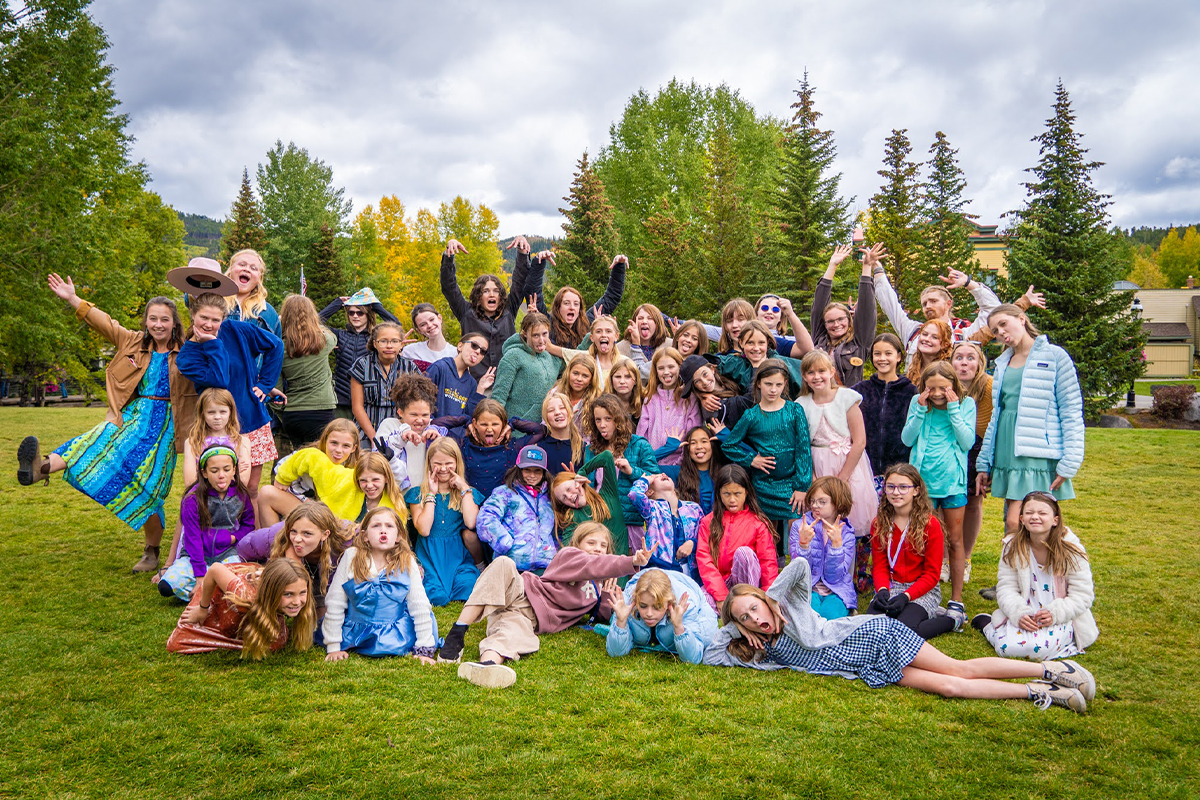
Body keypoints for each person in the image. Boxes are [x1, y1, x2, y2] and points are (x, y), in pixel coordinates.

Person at [703, 558, 1095, 714]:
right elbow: (707, 654)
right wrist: (734, 624)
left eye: (753, 608)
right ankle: (1043, 692)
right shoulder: (756, 646)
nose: (755, 618)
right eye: (746, 618)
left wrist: (768, 599)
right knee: (950, 689)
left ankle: (1054, 668)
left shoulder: (791, 606)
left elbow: (802, 564)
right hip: (866, 667)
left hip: (876, 638)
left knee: (960, 670)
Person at [18, 272, 196, 573]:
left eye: (164, 319)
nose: (158, 325)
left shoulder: (187, 347)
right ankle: (42, 466)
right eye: (153, 319)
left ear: (174, 322)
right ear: (146, 321)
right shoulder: (134, 342)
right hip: (134, 417)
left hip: (168, 426)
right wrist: (74, 299)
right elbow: (104, 322)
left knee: (150, 487)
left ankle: (152, 551)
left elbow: (208, 323)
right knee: (96, 439)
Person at [435, 522, 651, 689]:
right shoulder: (570, 556)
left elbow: (602, 615)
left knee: (509, 631)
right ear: (578, 545)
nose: (597, 549)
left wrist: (605, 596)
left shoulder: (596, 588)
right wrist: (631, 561)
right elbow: (592, 564)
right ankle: (457, 635)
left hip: (530, 617)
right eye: (591, 543)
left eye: (603, 546)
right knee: (503, 563)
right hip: (520, 591)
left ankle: (487, 666)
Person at [977, 304, 1085, 538]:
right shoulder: (1003, 362)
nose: (1000, 333)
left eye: (1004, 324)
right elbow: (997, 414)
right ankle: (1019, 572)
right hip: (1007, 448)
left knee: (1025, 520)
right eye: (995, 330)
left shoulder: (1055, 356)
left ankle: (1042, 568)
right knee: (1017, 520)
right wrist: (984, 461)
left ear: (1022, 319)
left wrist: (1071, 459)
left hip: (1035, 451)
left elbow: (1071, 410)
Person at [175, 289, 284, 503]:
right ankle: (218, 533)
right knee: (221, 488)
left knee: (250, 487)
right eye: (203, 318)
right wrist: (211, 343)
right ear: (193, 317)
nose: (209, 324)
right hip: (217, 426)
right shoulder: (187, 356)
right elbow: (219, 380)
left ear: (224, 319)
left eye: (216, 320)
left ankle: (251, 535)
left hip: (252, 417)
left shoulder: (239, 330)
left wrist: (265, 383)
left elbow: (276, 345)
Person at [972, 492, 1097, 661]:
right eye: (1029, 513)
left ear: (1055, 520)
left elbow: (1083, 595)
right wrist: (1019, 613)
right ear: (1022, 519)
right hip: (1027, 611)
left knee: (1039, 651)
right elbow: (1006, 587)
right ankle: (990, 627)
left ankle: (989, 626)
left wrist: (1055, 613)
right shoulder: (1012, 546)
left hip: (1060, 615)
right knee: (1006, 648)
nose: (1035, 517)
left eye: (1042, 513)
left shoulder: (1071, 549)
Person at [902, 361, 977, 626]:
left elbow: (967, 441)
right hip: (923, 485)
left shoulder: (966, 404)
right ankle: (924, 596)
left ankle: (956, 599)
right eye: (930, 388)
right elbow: (907, 439)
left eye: (942, 388)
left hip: (952, 483)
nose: (935, 394)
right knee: (922, 541)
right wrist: (921, 411)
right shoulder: (918, 402)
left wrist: (954, 409)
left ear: (953, 385)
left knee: (954, 541)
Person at [322, 507, 438, 662]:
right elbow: (335, 601)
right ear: (364, 536)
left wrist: (424, 649)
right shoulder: (351, 557)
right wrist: (333, 646)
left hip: (397, 634)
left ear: (398, 536)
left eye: (389, 526)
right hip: (356, 633)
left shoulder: (406, 560)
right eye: (376, 526)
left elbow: (419, 604)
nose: (383, 531)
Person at [712, 360, 812, 531]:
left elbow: (803, 449)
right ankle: (772, 559)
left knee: (797, 529)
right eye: (768, 384)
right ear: (758, 383)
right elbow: (729, 445)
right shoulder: (751, 415)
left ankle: (797, 558)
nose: (773, 389)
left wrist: (802, 486)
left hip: (792, 483)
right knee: (767, 533)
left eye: (778, 384)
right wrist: (752, 459)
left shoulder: (795, 410)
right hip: (764, 485)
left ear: (785, 384)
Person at [796, 350, 877, 558]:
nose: (817, 376)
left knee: (851, 510)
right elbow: (802, 445)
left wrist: (843, 477)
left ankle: (855, 566)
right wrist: (812, 477)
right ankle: (823, 561)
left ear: (831, 372)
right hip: (818, 463)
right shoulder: (802, 405)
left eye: (822, 371)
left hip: (847, 464)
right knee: (822, 510)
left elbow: (859, 441)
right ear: (804, 376)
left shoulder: (846, 398)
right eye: (810, 372)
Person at [157, 440, 253, 601]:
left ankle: (210, 591)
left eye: (226, 469)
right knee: (166, 586)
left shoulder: (240, 494)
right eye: (214, 470)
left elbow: (249, 524)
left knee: (240, 581)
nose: (221, 475)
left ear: (234, 470)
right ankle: (213, 589)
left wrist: (233, 538)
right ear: (204, 473)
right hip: (194, 556)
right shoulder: (192, 499)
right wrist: (200, 576)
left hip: (227, 552)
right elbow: (192, 538)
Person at [866, 464, 954, 640]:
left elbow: (932, 574)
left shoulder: (930, 525)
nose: (896, 492)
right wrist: (883, 589)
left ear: (916, 491)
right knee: (872, 630)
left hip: (922, 590)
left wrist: (906, 597)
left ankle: (951, 621)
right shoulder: (879, 523)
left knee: (904, 632)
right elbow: (880, 566)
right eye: (890, 487)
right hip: (892, 585)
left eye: (903, 487)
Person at [166, 559, 315, 660]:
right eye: (288, 594)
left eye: (302, 593)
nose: (297, 602)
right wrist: (202, 609)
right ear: (271, 592)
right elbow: (215, 569)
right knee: (177, 643)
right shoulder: (244, 594)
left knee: (276, 642)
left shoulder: (297, 596)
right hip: (220, 596)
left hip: (260, 600)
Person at [871, 263, 1002, 369]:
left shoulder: (962, 336)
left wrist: (968, 283)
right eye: (924, 303)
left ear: (948, 304)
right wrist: (877, 269)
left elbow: (995, 311)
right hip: (916, 398)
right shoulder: (913, 332)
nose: (927, 306)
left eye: (933, 301)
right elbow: (890, 305)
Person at [440, 236, 534, 378]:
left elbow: (519, 283)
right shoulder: (467, 313)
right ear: (479, 295)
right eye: (486, 291)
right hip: (475, 384)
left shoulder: (508, 311)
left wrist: (522, 254)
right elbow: (449, 287)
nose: (492, 295)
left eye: (496, 291)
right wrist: (448, 256)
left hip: (506, 383)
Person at [405, 437, 484, 604]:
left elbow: (471, 523)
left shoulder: (467, 493)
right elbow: (424, 530)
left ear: (457, 463)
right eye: (437, 464)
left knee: (467, 587)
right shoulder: (417, 494)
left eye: (448, 463)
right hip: (429, 555)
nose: (442, 469)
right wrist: (431, 494)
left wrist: (464, 489)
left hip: (457, 556)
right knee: (435, 595)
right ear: (429, 463)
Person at [583, 393, 661, 551]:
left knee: (630, 571)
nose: (602, 425)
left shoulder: (639, 445)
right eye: (598, 420)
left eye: (608, 419)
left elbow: (656, 480)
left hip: (629, 522)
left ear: (618, 419)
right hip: (600, 520)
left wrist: (631, 471)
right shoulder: (591, 449)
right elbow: (590, 486)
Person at [695, 465, 780, 609]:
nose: (732, 499)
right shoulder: (708, 521)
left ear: (746, 492)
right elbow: (704, 560)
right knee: (698, 602)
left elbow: (767, 562)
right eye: (726, 494)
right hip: (721, 584)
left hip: (748, 583)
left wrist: (769, 596)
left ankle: (751, 603)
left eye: (737, 493)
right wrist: (721, 596)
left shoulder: (758, 522)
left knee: (744, 553)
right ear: (719, 494)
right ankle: (730, 608)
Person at [236, 502, 340, 615]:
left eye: (307, 534)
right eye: (294, 531)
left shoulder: (341, 544)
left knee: (322, 615)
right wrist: (264, 570)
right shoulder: (275, 536)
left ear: (325, 535)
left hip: (317, 575)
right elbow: (243, 550)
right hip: (257, 563)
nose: (298, 539)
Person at [602, 568, 719, 664]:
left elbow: (693, 659)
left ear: (668, 603)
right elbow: (615, 653)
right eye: (643, 606)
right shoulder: (627, 602)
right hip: (650, 580)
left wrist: (679, 627)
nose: (649, 613)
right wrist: (621, 622)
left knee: (707, 637)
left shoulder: (685, 606)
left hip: (688, 591)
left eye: (657, 607)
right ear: (636, 601)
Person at [318, 287, 402, 419]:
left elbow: (396, 326)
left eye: (360, 313)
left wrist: (375, 306)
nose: (355, 316)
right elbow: (313, 324)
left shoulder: (376, 337)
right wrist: (337, 304)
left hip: (368, 400)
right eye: (351, 313)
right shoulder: (339, 335)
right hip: (341, 399)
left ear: (368, 314)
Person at [851, 333, 918, 491]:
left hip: (900, 469)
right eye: (877, 354)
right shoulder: (859, 391)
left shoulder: (911, 392)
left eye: (888, 353)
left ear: (899, 357)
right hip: (866, 467)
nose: (882, 358)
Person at [263, 449, 402, 525]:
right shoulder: (344, 480)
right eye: (363, 480)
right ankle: (273, 556)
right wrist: (283, 477)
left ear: (387, 479)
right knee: (266, 493)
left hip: (361, 553)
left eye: (375, 480)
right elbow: (312, 456)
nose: (369, 485)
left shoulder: (394, 503)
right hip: (326, 528)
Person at [811, 243, 884, 385]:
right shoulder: (819, 339)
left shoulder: (859, 343)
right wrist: (832, 266)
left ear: (849, 320)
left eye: (840, 319)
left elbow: (867, 310)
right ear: (824, 324)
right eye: (830, 321)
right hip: (819, 401)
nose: (836, 324)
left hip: (847, 404)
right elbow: (819, 304)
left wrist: (867, 267)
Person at [475, 445, 557, 572]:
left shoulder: (551, 495)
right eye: (527, 470)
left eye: (537, 471)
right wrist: (504, 543)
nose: (532, 475)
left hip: (544, 566)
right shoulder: (505, 492)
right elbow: (486, 518)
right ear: (518, 469)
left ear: (544, 473)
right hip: (511, 565)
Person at [950, 340, 993, 577]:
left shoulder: (988, 386)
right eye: (959, 357)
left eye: (970, 358)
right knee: (947, 502)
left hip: (979, 446)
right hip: (951, 447)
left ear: (979, 363)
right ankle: (946, 558)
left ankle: (965, 558)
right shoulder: (946, 385)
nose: (964, 363)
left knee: (974, 501)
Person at [525, 251, 629, 348]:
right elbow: (533, 293)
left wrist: (619, 267)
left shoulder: (588, 322)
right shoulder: (547, 323)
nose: (572, 307)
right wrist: (539, 262)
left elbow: (611, 297)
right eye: (566, 303)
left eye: (576, 304)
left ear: (580, 308)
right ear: (558, 307)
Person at [788, 476, 856, 620]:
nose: (815, 505)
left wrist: (836, 547)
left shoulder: (847, 532)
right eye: (812, 501)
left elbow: (835, 577)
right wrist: (804, 545)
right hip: (807, 588)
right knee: (809, 617)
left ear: (837, 503)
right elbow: (799, 572)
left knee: (829, 617)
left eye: (822, 502)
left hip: (836, 590)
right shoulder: (799, 527)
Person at [275, 294, 337, 448]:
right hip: (321, 409)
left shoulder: (279, 348)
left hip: (293, 413)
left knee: (299, 461)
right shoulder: (324, 341)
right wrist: (313, 323)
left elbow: (276, 387)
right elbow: (333, 336)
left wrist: (282, 413)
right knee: (320, 462)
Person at [374, 373, 448, 491]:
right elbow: (378, 456)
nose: (419, 420)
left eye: (425, 415)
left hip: (425, 494)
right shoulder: (390, 425)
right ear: (400, 412)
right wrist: (400, 438)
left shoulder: (433, 428)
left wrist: (437, 440)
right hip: (396, 493)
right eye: (413, 414)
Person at [349, 321, 418, 448]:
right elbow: (357, 407)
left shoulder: (409, 367)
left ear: (401, 344)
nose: (389, 346)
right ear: (375, 343)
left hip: (399, 429)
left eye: (394, 341)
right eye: (383, 341)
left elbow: (416, 403)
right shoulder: (362, 365)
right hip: (367, 428)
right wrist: (373, 437)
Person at [628, 473, 703, 578]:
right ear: (649, 491)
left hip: (693, 573)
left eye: (664, 474)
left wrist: (692, 543)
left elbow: (706, 537)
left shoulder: (694, 509)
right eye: (656, 477)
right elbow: (634, 494)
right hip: (660, 571)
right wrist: (645, 480)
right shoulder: (652, 508)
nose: (662, 474)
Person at [636, 347, 700, 467]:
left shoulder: (689, 399)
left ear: (680, 367)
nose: (666, 372)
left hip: (680, 466)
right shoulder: (650, 399)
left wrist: (679, 464)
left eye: (671, 367)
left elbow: (693, 434)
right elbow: (641, 435)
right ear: (656, 371)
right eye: (661, 368)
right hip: (653, 464)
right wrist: (649, 462)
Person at [549, 450, 622, 546]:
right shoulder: (573, 516)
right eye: (564, 498)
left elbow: (607, 457)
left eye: (568, 489)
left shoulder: (609, 494)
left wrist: (583, 472)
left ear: (578, 481)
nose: (569, 496)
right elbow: (565, 550)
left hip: (622, 559)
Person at [425, 332, 494, 418]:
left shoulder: (472, 383)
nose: (477, 351)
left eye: (483, 351)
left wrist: (481, 389)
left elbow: (469, 417)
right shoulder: (439, 368)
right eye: (474, 345)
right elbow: (421, 401)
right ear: (460, 346)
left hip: (457, 431)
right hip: (433, 430)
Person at [663, 425, 725, 514]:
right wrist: (668, 448)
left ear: (712, 445)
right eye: (693, 443)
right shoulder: (678, 472)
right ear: (687, 449)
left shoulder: (724, 472)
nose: (699, 446)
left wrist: (729, 440)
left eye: (704, 441)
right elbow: (643, 464)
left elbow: (750, 459)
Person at [223, 249, 281, 338]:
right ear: (231, 269)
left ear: (259, 278)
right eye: (242, 264)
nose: (246, 269)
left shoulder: (269, 314)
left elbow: (276, 350)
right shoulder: (214, 302)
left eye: (253, 268)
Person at [618, 303, 673, 380]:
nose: (644, 321)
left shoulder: (671, 345)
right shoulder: (621, 347)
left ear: (657, 323)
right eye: (640, 318)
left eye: (650, 318)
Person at [551, 352, 602, 429]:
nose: (579, 379)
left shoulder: (596, 400)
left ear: (591, 379)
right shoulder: (556, 392)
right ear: (568, 372)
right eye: (575, 373)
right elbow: (545, 422)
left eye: (585, 376)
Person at [403, 302, 458, 372]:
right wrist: (396, 347)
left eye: (432, 320)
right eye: (423, 324)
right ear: (419, 330)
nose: (429, 325)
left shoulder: (455, 353)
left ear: (439, 318)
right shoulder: (410, 351)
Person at [603, 357, 644, 426]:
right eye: (618, 377)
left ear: (636, 380)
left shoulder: (645, 401)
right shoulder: (602, 403)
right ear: (611, 380)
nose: (622, 381)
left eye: (628, 377)